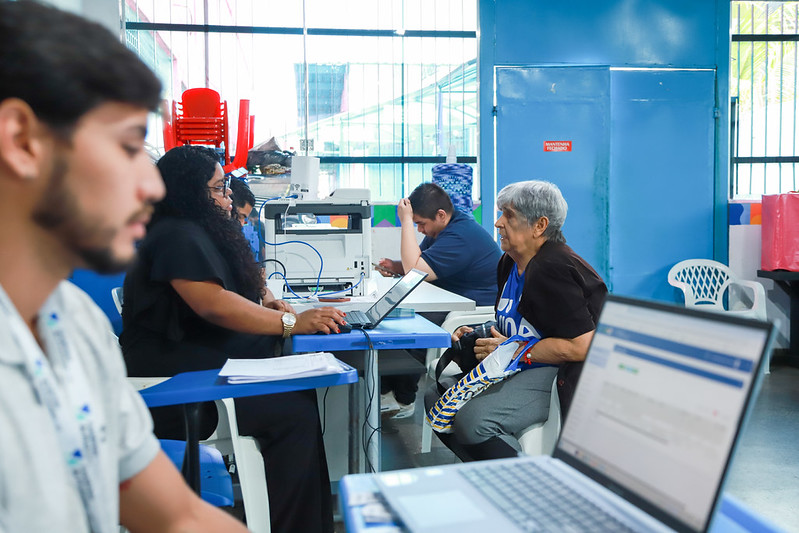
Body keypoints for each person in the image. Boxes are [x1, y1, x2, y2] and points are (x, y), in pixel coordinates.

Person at [0, 2, 248, 532]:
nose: (152, 185)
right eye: (128, 146)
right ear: (22, 142)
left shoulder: (73, 323)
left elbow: (179, 515)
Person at [121, 144, 344, 533]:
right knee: (292, 411)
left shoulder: (193, 231)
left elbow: (237, 282)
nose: (226, 198)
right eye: (218, 188)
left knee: (298, 398)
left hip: (199, 370)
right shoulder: (175, 235)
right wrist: (290, 324)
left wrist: (269, 301)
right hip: (177, 390)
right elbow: (213, 304)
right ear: (190, 191)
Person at [425, 180, 607, 461]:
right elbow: (520, 321)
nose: (498, 223)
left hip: (563, 371)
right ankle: (488, 472)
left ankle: (525, 477)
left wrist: (515, 350)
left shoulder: (552, 268)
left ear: (539, 225)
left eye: (509, 215)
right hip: (520, 364)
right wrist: (479, 333)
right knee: (437, 398)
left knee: (473, 422)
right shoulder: (510, 262)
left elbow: (582, 345)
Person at [378, 182, 502, 417]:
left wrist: (406, 221)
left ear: (441, 215)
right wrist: (395, 266)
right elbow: (421, 264)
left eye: (421, 224)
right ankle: (387, 391)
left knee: (415, 327)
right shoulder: (444, 230)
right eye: (416, 224)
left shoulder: (460, 235)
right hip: (453, 300)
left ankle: (402, 398)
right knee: (395, 320)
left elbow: (415, 269)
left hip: (474, 310)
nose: (420, 230)